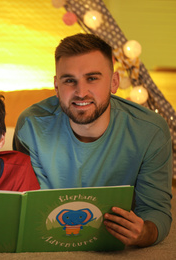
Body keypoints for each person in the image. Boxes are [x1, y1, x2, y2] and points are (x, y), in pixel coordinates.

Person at [13, 33, 173, 247]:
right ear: (56, 85)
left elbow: (156, 210)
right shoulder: (30, 126)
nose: (81, 92)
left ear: (114, 82)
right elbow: (29, 206)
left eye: (92, 78)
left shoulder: (151, 131)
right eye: (69, 80)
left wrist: (144, 232)